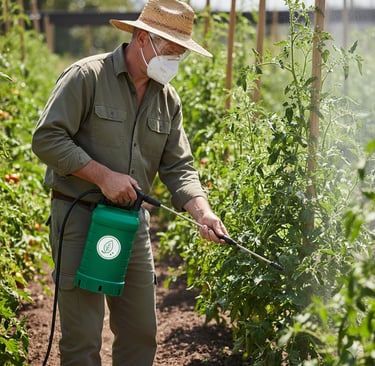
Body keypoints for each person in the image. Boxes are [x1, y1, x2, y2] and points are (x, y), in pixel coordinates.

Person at [32, 0, 228, 365]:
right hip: (78, 217)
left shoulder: (167, 100)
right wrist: (103, 176)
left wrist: (203, 212)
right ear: (142, 38)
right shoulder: (87, 77)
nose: (174, 61)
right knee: (82, 339)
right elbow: (46, 138)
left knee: (140, 333)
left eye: (180, 53)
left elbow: (179, 166)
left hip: (130, 224)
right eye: (170, 50)